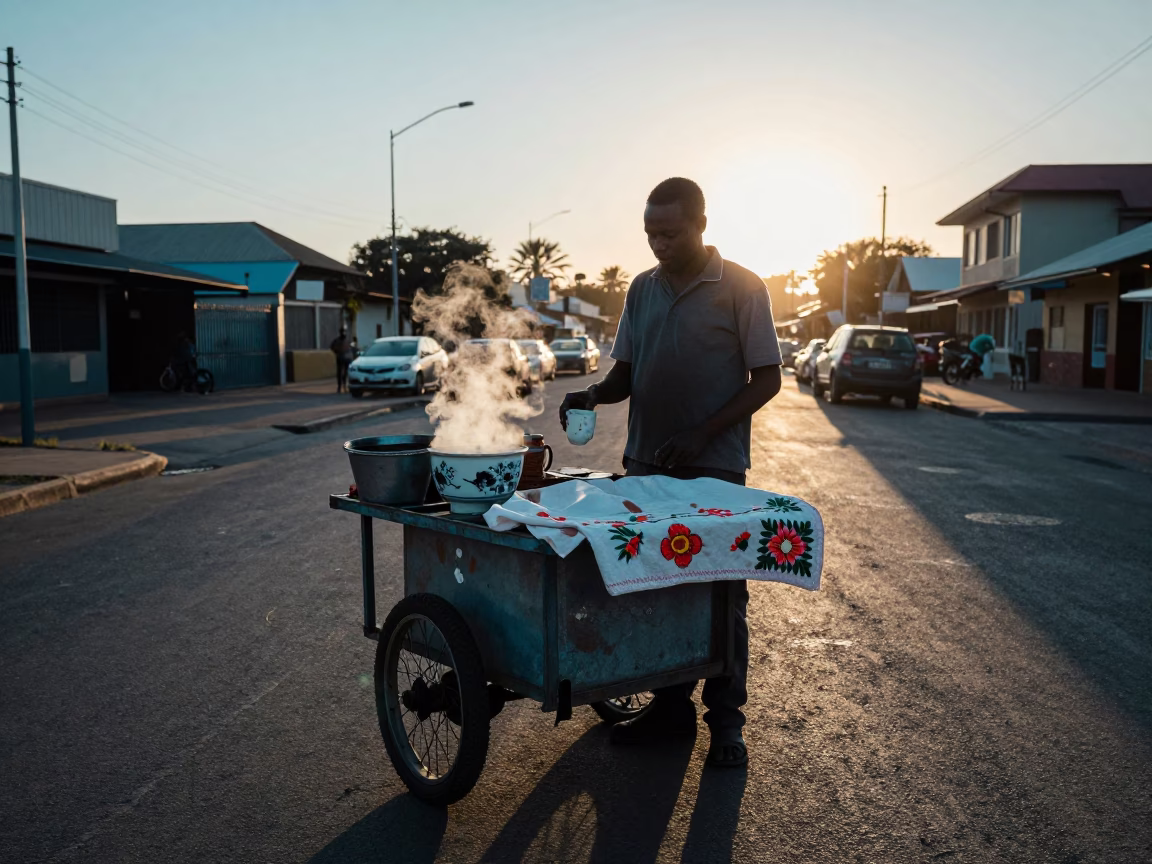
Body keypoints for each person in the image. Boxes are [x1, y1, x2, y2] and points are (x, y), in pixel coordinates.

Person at [559, 177, 783, 769]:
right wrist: (588, 394)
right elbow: (624, 377)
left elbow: (767, 379)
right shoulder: (641, 288)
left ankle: (726, 725)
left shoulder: (742, 286)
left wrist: (704, 433)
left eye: (670, 232)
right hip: (644, 466)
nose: (658, 243)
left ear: (702, 222)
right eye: (650, 233)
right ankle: (669, 710)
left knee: (721, 595)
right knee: (653, 591)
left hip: (714, 470)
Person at [331, 328, 354, 393]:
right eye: (342, 332)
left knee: (346, 373)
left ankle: (345, 386)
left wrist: (350, 354)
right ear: (340, 332)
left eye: (344, 332)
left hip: (347, 358)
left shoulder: (348, 340)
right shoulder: (336, 340)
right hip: (340, 358)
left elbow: (352, 347)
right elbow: (332, 347)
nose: (343, 333)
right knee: (340, 373)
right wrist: (337, 352)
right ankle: (339, 386)